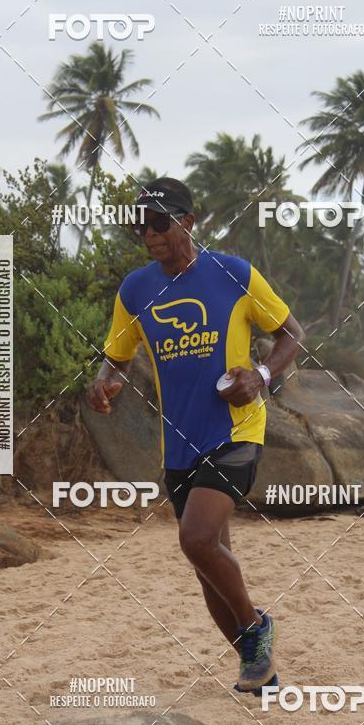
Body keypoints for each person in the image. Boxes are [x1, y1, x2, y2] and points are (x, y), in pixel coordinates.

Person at [86, 177, 304, 692]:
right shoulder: (135, 289)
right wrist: (103, 382)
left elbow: (292, 333)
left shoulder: (233, 274)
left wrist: (261, 375)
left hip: (236, 431)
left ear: (187, 221)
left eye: (160, 223)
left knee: (197, 539)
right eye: (141, 226)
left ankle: (256, 627)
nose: (150, 234)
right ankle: (259, 670)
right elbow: (117, 357)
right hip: (178, 445)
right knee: (207, 562)